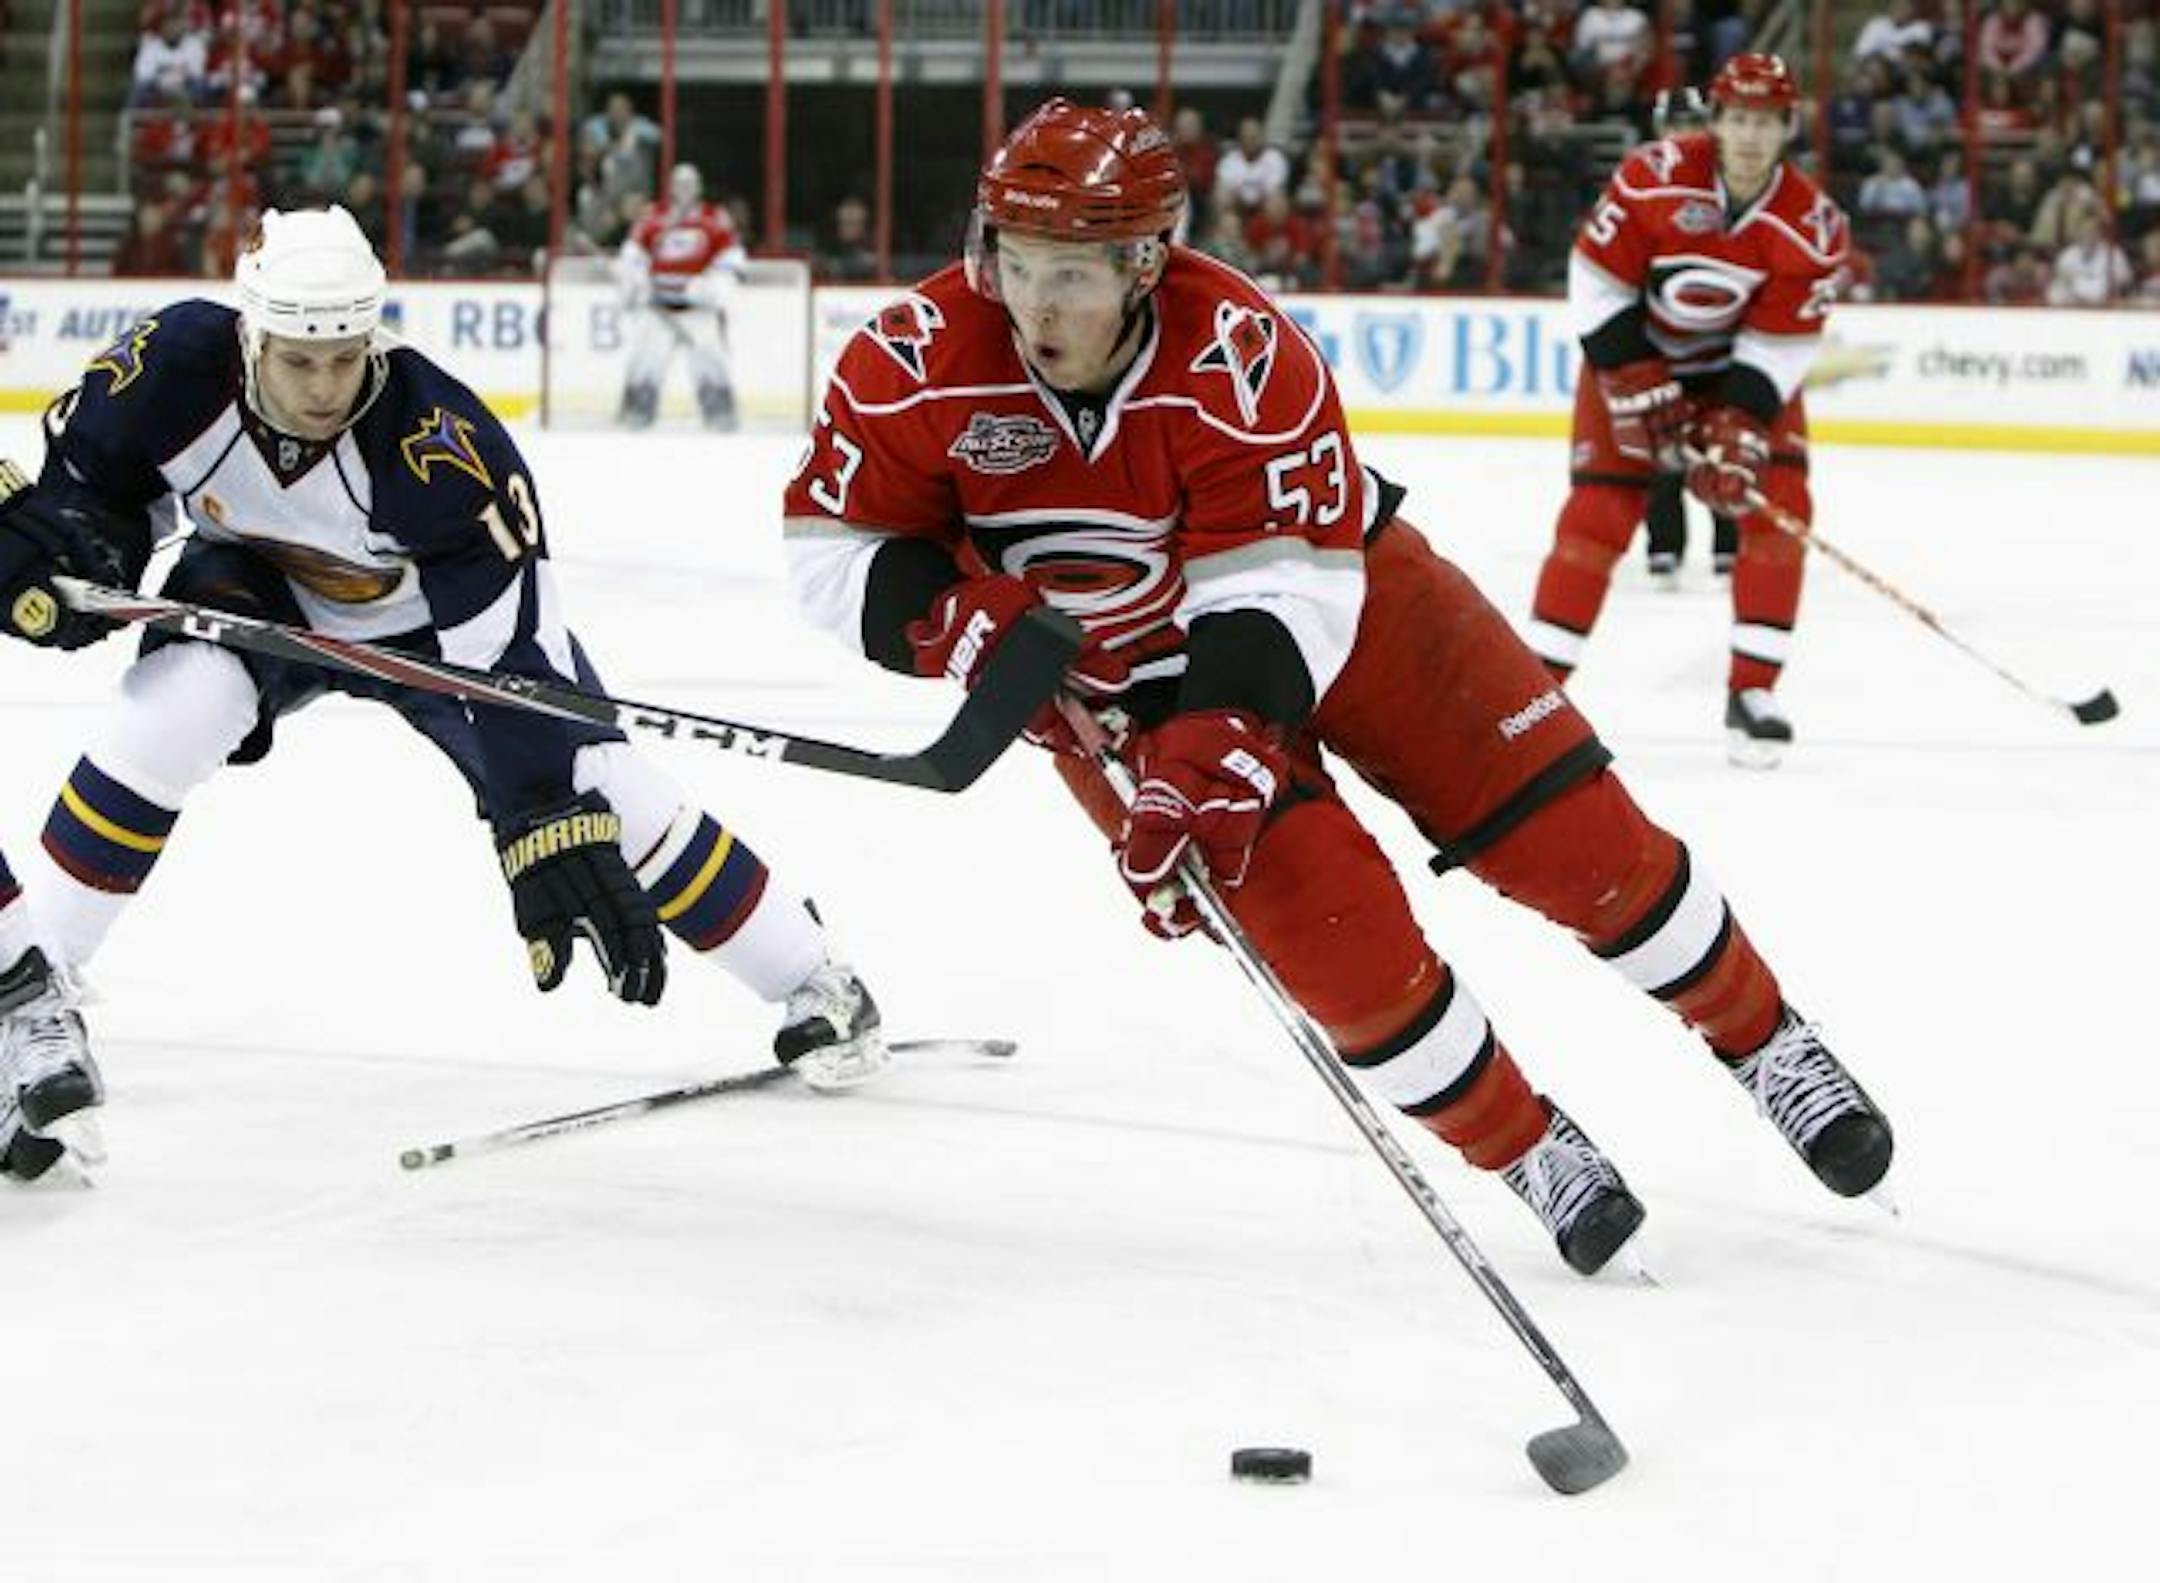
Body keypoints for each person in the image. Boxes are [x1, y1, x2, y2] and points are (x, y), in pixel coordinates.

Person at [781, 99, 1894, 1279]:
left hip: (1355, 610)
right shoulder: (911, 357)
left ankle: (1766, 1042)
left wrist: (1216, 744)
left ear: (1144, 262)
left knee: (1574, 841)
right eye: (1012, 263)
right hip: (1114, 692)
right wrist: (960, 626)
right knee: (1329, 941)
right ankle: (1529, 1149)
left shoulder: (1241, 349)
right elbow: (827, 545)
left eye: (1068, 274)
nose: (1032, 305)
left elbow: (1280, 588)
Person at [0, 206, 887, 1182]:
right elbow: (95, 494)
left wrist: (537, 806)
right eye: (299, 360)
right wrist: (80, 561)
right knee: (174, 705)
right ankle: (34, 1003)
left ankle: (812, 975)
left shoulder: (440, 445)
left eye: (345, 356)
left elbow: (516, 655)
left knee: (601, 786)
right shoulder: (170, 365)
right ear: (251, 333)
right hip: (254, 591)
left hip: (429, 636)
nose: (326, 385)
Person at [1525, 53, 1848, 766]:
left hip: (1730, 377)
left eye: (1765, 121)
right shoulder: (1653, 176)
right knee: (1597, 518)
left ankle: (1753, 695)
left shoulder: (1813, 227)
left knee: (1779, 505)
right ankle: (1532, 696)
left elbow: (1780, 342)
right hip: (1631, 358)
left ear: (1787, 127)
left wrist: (1739, 425)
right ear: (1718, 120)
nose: (1749, 135)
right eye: (1738, 118)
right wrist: (1634, 374)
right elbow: (1595, 279)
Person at [1638, 88, 1735, 589]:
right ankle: (1664, 548)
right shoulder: (1637, 184)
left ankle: (1728, 547)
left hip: (1719, 343)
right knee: (1664, 450)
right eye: (1673, 124)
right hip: (1658, 342)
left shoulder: (1726, 184)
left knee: (1724, 444)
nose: (1681, 134)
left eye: (1690, 123)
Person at [615, 162, 743, 430]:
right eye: (679, 184)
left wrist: (711, 286)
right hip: (657, 308)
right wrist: (635, 280)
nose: (684, 190)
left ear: (698, 187)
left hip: (698, 310)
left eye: (689, 184)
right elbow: (632, 254)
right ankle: (636, 412)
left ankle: (720, 414)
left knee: (710, 360)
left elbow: (732, 259)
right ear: (671, 187)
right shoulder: (653, 217)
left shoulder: (714, 218)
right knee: (646, 359)